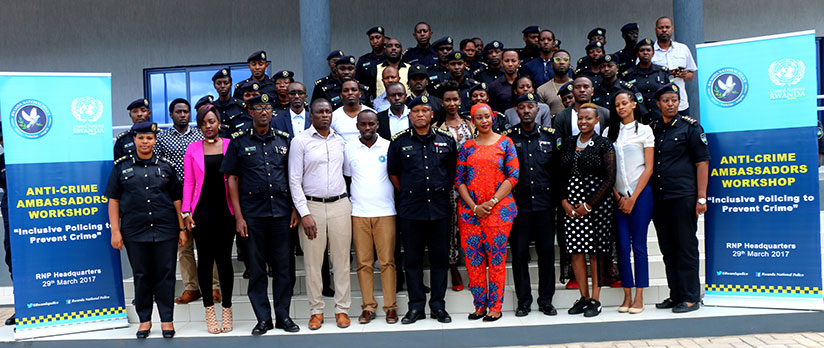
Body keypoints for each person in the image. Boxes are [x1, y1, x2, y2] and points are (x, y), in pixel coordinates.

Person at [221, 94, 300, 334]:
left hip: (282, 214)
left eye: (267, 107)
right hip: (252, 216)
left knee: (284, 268)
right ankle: (263, 318)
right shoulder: (239, 141)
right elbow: (231, 179)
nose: (264, 111)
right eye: (258, 108)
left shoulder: (286, 140)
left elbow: (295, 177)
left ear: (272, 112)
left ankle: (283, 316)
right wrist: (238, 217)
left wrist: (296, 208)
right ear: (250, 111)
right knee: (256, 269)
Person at [106, 121, 186, 339]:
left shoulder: (165, 166)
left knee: (166, 275)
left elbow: (177, 199)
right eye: (141, 138)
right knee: (142, 276)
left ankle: (167, 320)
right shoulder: (121, 166)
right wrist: (115, 231)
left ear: (154, 140)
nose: (145, 141)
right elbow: (113, 200)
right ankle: (145, 321)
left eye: (149, 138)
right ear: (134, 140)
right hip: (134, 231)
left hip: (166, 229)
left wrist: (181, 228)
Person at [387, 95, 457, 325]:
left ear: (432, 114)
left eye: (424, 110)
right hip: (411, 210)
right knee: (413, 261)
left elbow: (453, 172)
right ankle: (416, 306)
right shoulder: (398, 142)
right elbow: (394, 174)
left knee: (439, 260)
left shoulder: (447, 140)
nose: (419, 114)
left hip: (439, 209)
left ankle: (438, 305)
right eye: (415, 110)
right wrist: (411, 191)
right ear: (409, 115)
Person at [289, 98, 353, 330]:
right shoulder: (300, 141)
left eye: (328, 111)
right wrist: (303, 212)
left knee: (341, 261)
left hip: (339, 205)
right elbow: (294, 180)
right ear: (311, 115)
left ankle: (342, 310)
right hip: (312, 207)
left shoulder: (340, 141)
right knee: (313, 263)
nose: (325, 115)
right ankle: (316, 311)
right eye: (320, 112)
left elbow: (347, 173)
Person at [454, 103, 519, 322]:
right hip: (469, 213)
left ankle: (495, 307)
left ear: (492, 118)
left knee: (496, 260)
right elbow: (459, 180)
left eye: (487, 117)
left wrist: (491, 202)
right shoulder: (467, 147)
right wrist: (474, 206)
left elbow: (513, 176)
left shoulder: (505, 142)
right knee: (474, 261)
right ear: (472, 121)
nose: (484, 121)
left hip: (498, 211)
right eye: (479, 118)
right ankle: (479, 305)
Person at [650, 84, 709, 313]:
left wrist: (701, 197)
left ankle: (692, 297)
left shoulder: (690, 128)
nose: (671, 104)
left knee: (685, 247)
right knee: (668, 248)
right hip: (660, 197)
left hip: (683, 195)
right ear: (658, 104)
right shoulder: (653, 128)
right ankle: (675, 295)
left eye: (674, 100)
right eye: (666, 100)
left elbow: (702, 162)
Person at [503, 93, 561, 317]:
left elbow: (558, 172)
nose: (526, 111)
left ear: (538, 111)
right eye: (522, 107)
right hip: (519, 207)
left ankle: (546, 300)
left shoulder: (550, 136)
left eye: (530, 107)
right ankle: (524, 301)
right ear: (516, 111)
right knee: (519, 255)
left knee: (546, 253)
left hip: (545, 206)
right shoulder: (507, 139)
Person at [154, 99, 216, 306]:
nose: (183, 115)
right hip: (175, 198)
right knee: (184, 245)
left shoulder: (201, 135)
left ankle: (215, 286)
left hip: (202, 196)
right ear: (171, 114)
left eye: (186, 112)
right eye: (179, 112)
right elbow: (157, 167)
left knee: (209, 244)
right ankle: (191, 287)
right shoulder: (162, 139)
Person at [181, 105, 236, 333]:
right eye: (204, 123)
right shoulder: (192, 149)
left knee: (224, 261)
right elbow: (189, 182)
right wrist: (186, 211)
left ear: (219, 123)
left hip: (226, 211)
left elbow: (236, 179)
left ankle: (227, 309)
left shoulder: (230, 145)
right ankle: (209, 312)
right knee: (204, 261)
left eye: (211, 121)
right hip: (201, 212)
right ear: (200, 126)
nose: (208, 126)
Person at [559, 103, 616, 318]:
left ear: (597, 120)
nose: (583, 122)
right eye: (580, 118)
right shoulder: (568, 143)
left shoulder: (604, 144)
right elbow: (560, 175)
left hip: (596, 206)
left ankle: (595, 299)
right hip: (571, 205)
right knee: (576, 251)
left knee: (595, 252)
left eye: (588, 118)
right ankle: (583, 297)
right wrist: (564, 201)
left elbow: (610, 178)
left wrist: (589, 205)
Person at [344, 110, 399, 324]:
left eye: (371, 124)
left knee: (387, 262)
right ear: (358, 126)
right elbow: (348, 178)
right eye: (363, 124)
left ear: (378, 124)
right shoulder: (349, 148)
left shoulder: (388, 146)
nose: (367, 128)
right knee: (364, 263)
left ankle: (390, 307)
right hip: (358, 213)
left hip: (385, 212)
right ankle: (368, 307)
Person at [604, 91, 654, 314]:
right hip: (618, 196)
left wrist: (633, 198)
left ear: (634, 104)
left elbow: (649, 167)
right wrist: (618, 196)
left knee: (639, 246)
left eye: (625, 103)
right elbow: (608, 170)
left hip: (640, 195)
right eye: (617, 105)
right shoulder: (609, 132)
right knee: (622, 247)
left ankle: (639, 297)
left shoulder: (645, 130)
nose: (621, 107)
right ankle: (626, 295)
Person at [438, 81, 473, 292]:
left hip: (472, 184)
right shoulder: (437, 129)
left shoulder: (471, 125)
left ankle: (475, 265)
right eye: (448, 100)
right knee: (450, 227)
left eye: (455, 99)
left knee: (472, 225)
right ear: (442, 103)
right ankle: (453, 268)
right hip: (449, 185)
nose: (452, 103)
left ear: (460, 101)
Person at [651, 17, 697, 115]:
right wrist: (667, 75)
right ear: (656, 30)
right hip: (658, 106)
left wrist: (684, 75)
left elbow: (691, 75)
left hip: (680, 104)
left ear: (672, 29)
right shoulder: (648, 51)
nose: (664, 30)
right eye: (661, 27)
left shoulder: (683, 49)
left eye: (667, 27)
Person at [621, 38, 673, 123]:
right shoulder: (628, 75)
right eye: (642, 50)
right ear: (637, 54)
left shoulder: (662, 72)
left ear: (653, 53)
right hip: (639, 119)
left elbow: (671, 92)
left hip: (661, 117)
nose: (645, 53)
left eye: (648, 50)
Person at [553, 76, 610, 141]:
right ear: (573, 92)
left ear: (592, 91)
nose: (582, 90)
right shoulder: (562, 116)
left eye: (586, 87)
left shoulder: (605, 113)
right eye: (578, 87)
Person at [536, 49, 573, 116]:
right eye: (557, 60)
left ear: (569, 64)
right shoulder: (542, 90)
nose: (561, 62)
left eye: (565, 60)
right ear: (552, 64)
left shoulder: (578, 86)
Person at [210, 68, 245, 136]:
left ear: (231, 84)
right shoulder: (212, 108)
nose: (222, 86)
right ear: (214, 86)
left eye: (226, 83)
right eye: (219, 83)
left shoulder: (240, 105)